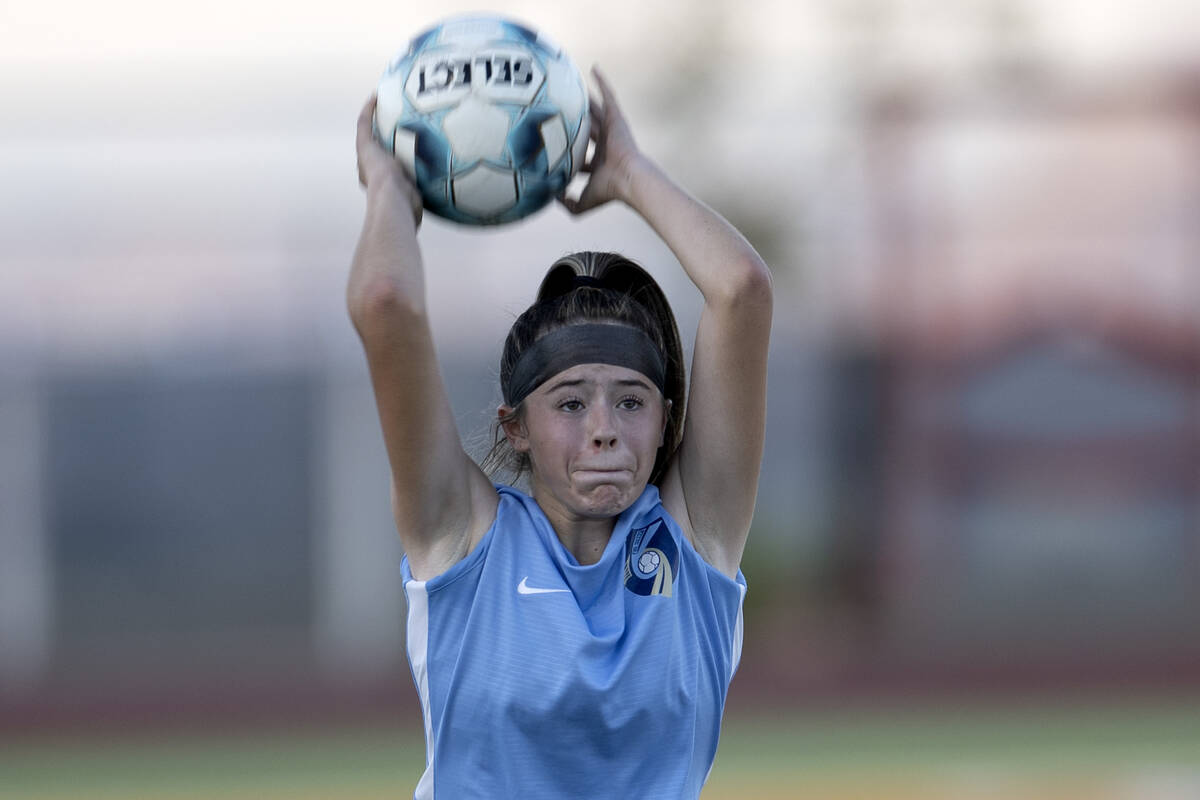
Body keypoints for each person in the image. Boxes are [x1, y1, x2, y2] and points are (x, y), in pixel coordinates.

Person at [349, 66, 772, 799]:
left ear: (670, 417)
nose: (605, 429)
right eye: (571, 404)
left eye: (633, 403)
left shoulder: (695, 539)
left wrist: (630, 174)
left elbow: (741, 289)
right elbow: (386, 301)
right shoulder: (460, 539)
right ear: (514, 427)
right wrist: (392, 186)